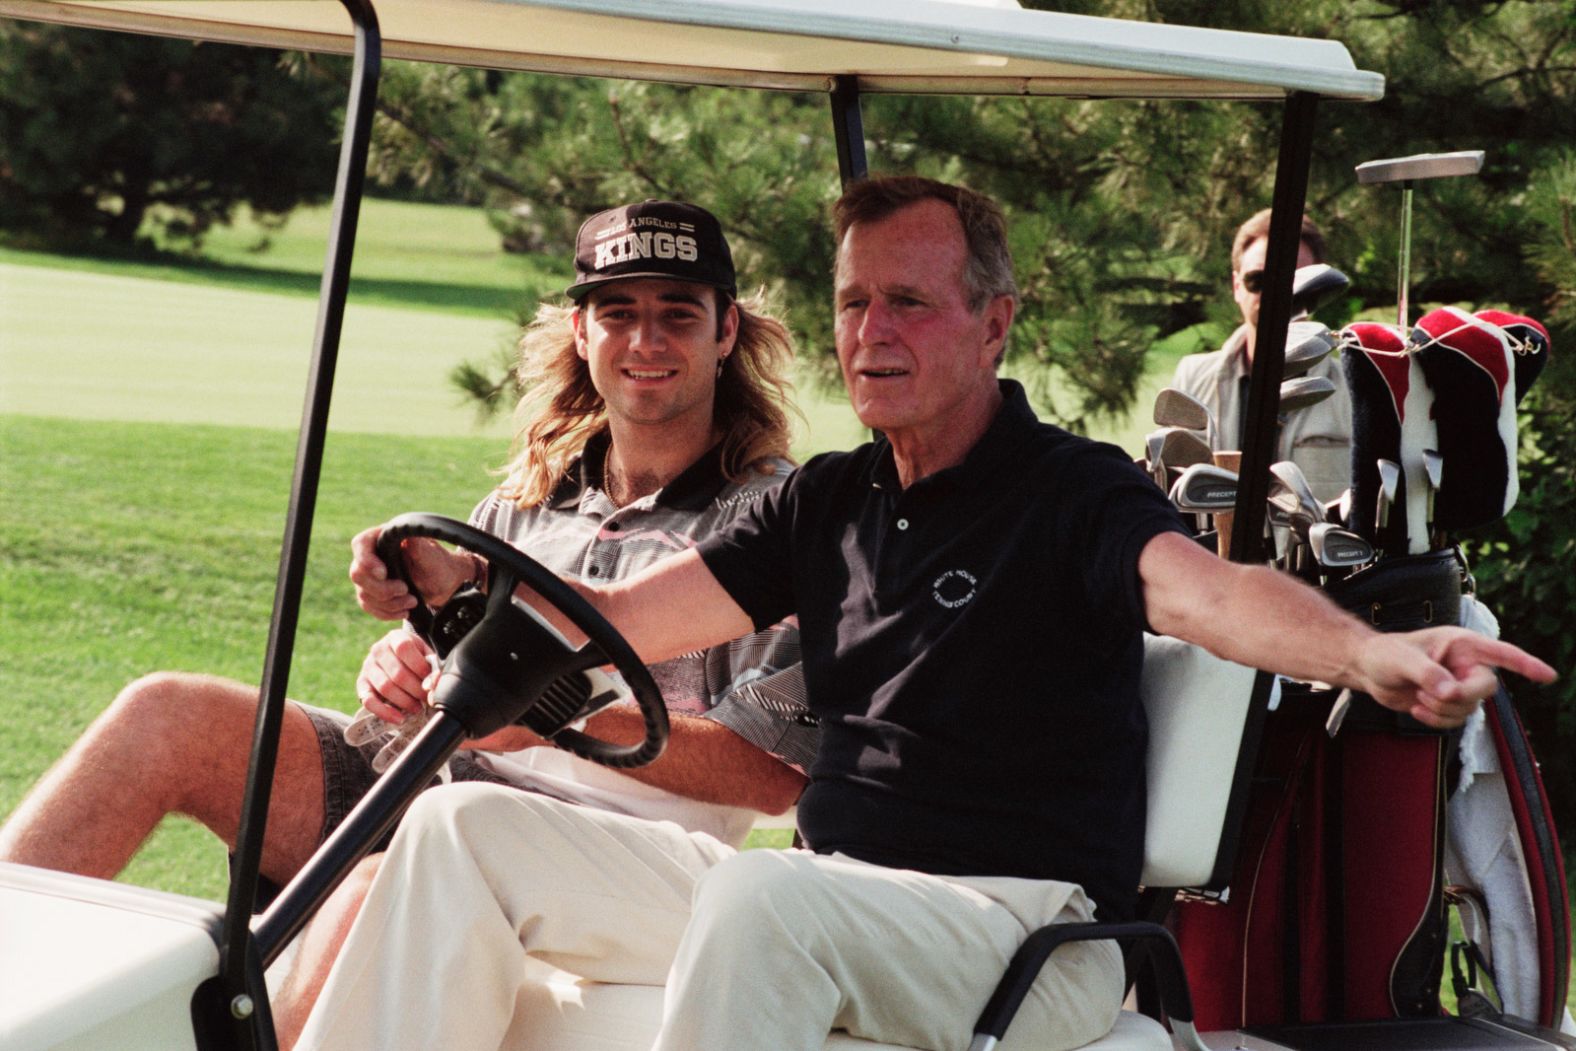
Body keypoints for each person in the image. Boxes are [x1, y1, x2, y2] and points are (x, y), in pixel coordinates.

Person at [292, 177, 1555, 1051]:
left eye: (909, 301)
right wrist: (460, 593)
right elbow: (615, 615)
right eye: (852, 302)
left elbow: (1212, 595)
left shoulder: (1071, 493)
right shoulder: (827, 501)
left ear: (993, 322)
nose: (871, 332)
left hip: (1023, 929)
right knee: (464, 826)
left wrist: (1372, 651)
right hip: (845, 899)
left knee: (763, 899)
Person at [0, 199, 816, 1029]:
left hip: (609, 852)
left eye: (678, 315)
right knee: (167, 713)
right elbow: (456, 653)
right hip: (437, 778)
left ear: (725, 333)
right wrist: (403, 656)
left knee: (375, 880)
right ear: (580, 331)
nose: (646, 341)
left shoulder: (770, 526)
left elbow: (772, 772)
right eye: (618, 313)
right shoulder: (529, 498)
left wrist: (551, 715)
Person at [1171, 208, 1352, 502]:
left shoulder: (1353, 389)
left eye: (1293, 282)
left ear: (1318, 290)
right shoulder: (1191, 378)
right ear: (1236, 286)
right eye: (1259, 280)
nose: (1277, 295)